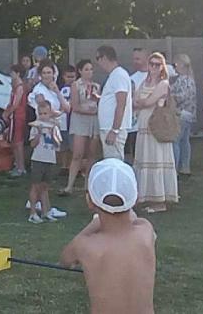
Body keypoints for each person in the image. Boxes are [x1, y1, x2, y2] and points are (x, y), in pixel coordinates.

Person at [59, 159, 155, 314]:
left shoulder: (85, 245)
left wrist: (95, 223)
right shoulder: (145, 231)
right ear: (136, 198)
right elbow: (132, 219)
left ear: (89, 201)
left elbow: (65, 260)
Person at [133, 53, 178, 213]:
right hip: (143, 124)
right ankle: (146, 196)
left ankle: (159, 201)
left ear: (162, 67)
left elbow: (147, 102)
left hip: (156, 124)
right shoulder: (144, 82)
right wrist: (141, 102)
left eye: (157, 64)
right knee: (144, 158)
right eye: (151, 63)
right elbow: (135, 100)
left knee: (156, 158)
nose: (153, 67)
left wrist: (142, 102)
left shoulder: (163, 84)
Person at [62, 59, 99, 195]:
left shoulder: (96, 86)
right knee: (77, 154)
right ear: (80, 71)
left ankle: (88, 184)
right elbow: (75, 106)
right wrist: (90, 111)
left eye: (91, 69)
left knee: (92, 154)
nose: (89, 72)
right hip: (80, 120)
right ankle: (69, 185)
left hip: (94, 121)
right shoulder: (75, 85)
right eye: (86, 69)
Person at [26, 101, 66, 224]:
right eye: (41, 113)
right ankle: (33, 213)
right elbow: (32, 144)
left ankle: (45, 212)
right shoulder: (35, 126)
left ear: (50, 113)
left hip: (50, 159)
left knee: (44, 187)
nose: (43, 116)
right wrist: (39, 133)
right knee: (35, 186)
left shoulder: (54, 127)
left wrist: (53, 133)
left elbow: (58, 144)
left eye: (45, 113)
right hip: (38, 159)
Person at [94, 46, 133, 161]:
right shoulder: (114, 75)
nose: (97, 62)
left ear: (104, 58)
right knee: (110, 160)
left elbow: (121, 103)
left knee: (114, 162)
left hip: (113, 128)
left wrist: (115, 130)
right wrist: (100, 99)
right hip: (108, 127)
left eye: (98, 58)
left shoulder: (119, 75)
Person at [170, 54, 197, 177]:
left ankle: (175, 169)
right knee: (185, 141)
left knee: (175, 141)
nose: (174, 67)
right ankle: (185, 167)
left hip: (181, 113)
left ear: (181, 64)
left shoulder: (183, 80)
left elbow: (182, 96)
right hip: (189, 114)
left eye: (175, 64)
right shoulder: (189, 79)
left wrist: (170, 96)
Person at [3, 65, 30, 177]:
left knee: (18, 142)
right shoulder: (15, 86)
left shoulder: (19, 87)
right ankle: (17, 165)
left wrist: (7, 113)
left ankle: (21, 167)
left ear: (18, 73)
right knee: (14, 141)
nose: (11, 74)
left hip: (17, 116)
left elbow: (15, 104)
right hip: (15, 116)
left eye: (13, 72)